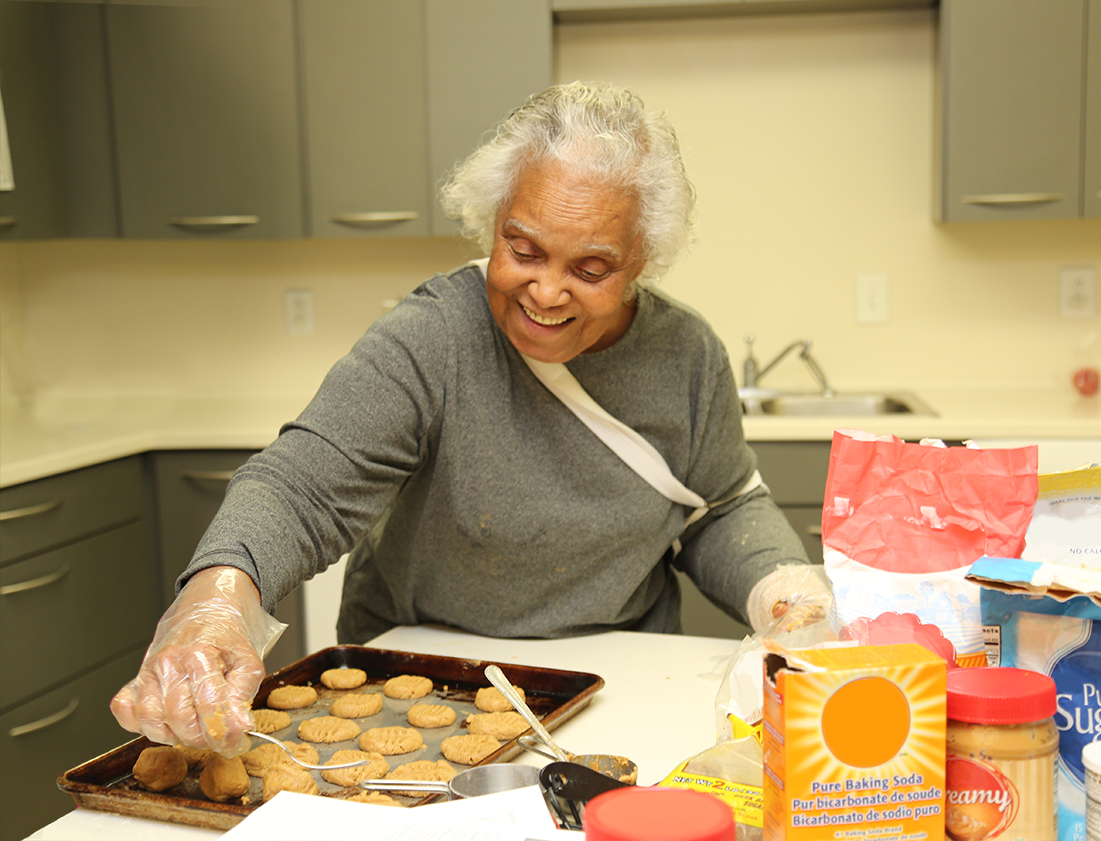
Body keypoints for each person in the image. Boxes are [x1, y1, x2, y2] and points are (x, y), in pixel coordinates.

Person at [111, 82, 828, 757]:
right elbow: (301, 486)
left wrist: (782, 591)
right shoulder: (433, 338)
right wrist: (217, 598)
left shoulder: (686, 351)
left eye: (591, 268)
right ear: (493, 221)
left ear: (644, 258)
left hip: (621, 675)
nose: (545, 290)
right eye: (523, 249)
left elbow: (722, 507)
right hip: (434, 677)